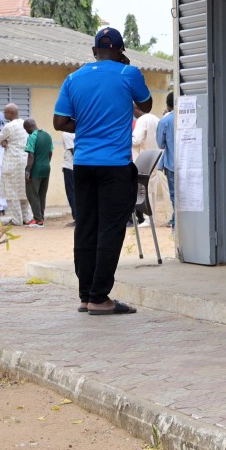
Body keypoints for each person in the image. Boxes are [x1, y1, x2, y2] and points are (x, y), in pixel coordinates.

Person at [54, 27, 152, 316]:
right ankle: (100, 297)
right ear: (121, 51)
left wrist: (85, 126)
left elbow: (60, 121)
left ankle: (86, 295)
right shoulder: (127, 74)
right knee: (110, 229)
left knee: (86, 227)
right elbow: (145, 106)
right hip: (115, 167)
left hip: (82, 165)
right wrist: (126, 69)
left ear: (94, 51)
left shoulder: (73, 78)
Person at [0, 103, 31, 225]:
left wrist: (4, 141)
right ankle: (27, 218)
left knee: (12, 192)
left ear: (10, 113)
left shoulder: (9, 127)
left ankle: (17, 220)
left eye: (5, 112)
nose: (4, 114)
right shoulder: (25, 124)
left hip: (12, 163)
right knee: (24, 192)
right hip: (25, 162)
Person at [130, 104, 161, 226]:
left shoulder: (142, 120)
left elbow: (136, 140)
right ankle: (152, 218)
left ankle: (148, 219)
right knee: (151, 190)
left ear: (137, 109)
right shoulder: (156, 118)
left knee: (145, 190)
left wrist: (124, 138)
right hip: (156, 158)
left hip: (144, 160)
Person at [23, 117, 54, 228]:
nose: (26, 131)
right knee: (42, 194)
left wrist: (27, 171)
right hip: (46, 167)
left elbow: (31, 155)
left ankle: (37, 220)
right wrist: (45, 163)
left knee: (32, 193)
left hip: (36, 169)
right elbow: (50, 152)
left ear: (28, 127)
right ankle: (41, 217)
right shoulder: (47, 135)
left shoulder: (32, 137)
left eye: (25, 129)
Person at [156, 92, 176, 228]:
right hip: (191, 164)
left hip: (172, 164)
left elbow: (160, 144)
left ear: (168, 105)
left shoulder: (165, 121)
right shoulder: (193, 116)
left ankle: (177, 222)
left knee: (174, 195)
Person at [61, 131, 76, 225]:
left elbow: (73, 151)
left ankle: (77, 218)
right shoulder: (80, 130)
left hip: (70, 166)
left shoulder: (67, 133)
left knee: (72, 193)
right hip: (79, 166)